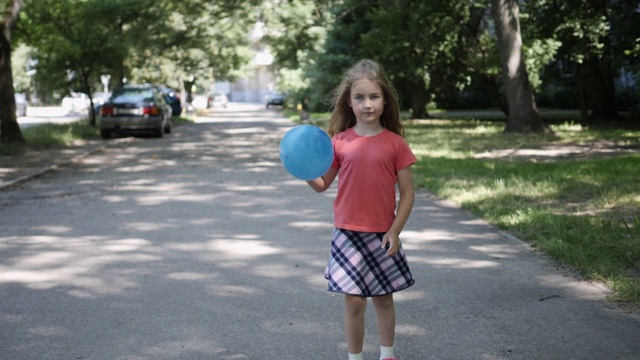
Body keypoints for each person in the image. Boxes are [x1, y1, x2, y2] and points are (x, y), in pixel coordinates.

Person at [307, 59, 416, 360]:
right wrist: (303, 167)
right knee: (354, 303)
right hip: (347, 233)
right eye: (360, 98)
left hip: (383, 233)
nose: (367, 104)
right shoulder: (339, 142)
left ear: (384, 99)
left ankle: (387, 355)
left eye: (374, 97)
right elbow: (321, 184)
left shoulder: (396, 144)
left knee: (383, 297)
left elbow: (407, 194)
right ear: (349, 102)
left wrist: (395, 230)